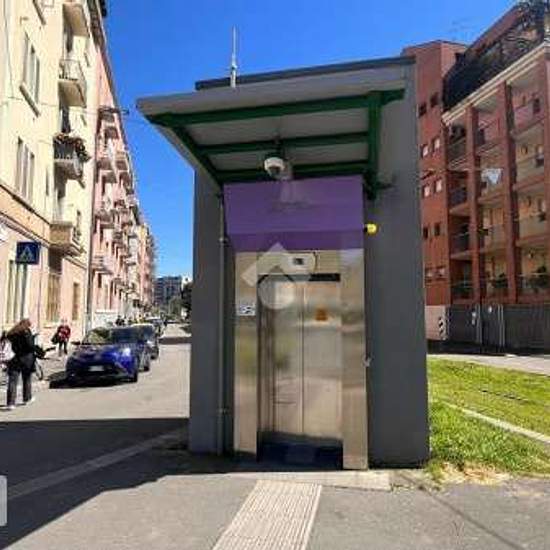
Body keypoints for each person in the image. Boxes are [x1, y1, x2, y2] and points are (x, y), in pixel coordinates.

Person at [5, 319, 44, 410]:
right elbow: (30, 345)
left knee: (12, 381)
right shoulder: (26, 332)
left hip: (14, 358)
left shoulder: (12, 333)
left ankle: (10, 403)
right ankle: (27, 398)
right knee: (26, 378)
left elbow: (8, 340)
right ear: (27, 325)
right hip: (26, 358)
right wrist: (39, 350)